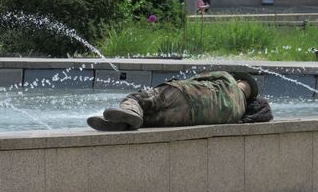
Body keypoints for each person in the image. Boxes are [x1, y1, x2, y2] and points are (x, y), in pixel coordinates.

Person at [87, 71, 273, 131]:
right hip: (187, 118)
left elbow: (196, 79)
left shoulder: (227, 78)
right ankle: (125, 123)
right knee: (150, 121)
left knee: (139, 99)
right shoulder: (240, 111)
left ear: (240, 81)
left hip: (186, 94)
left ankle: (131, 110)